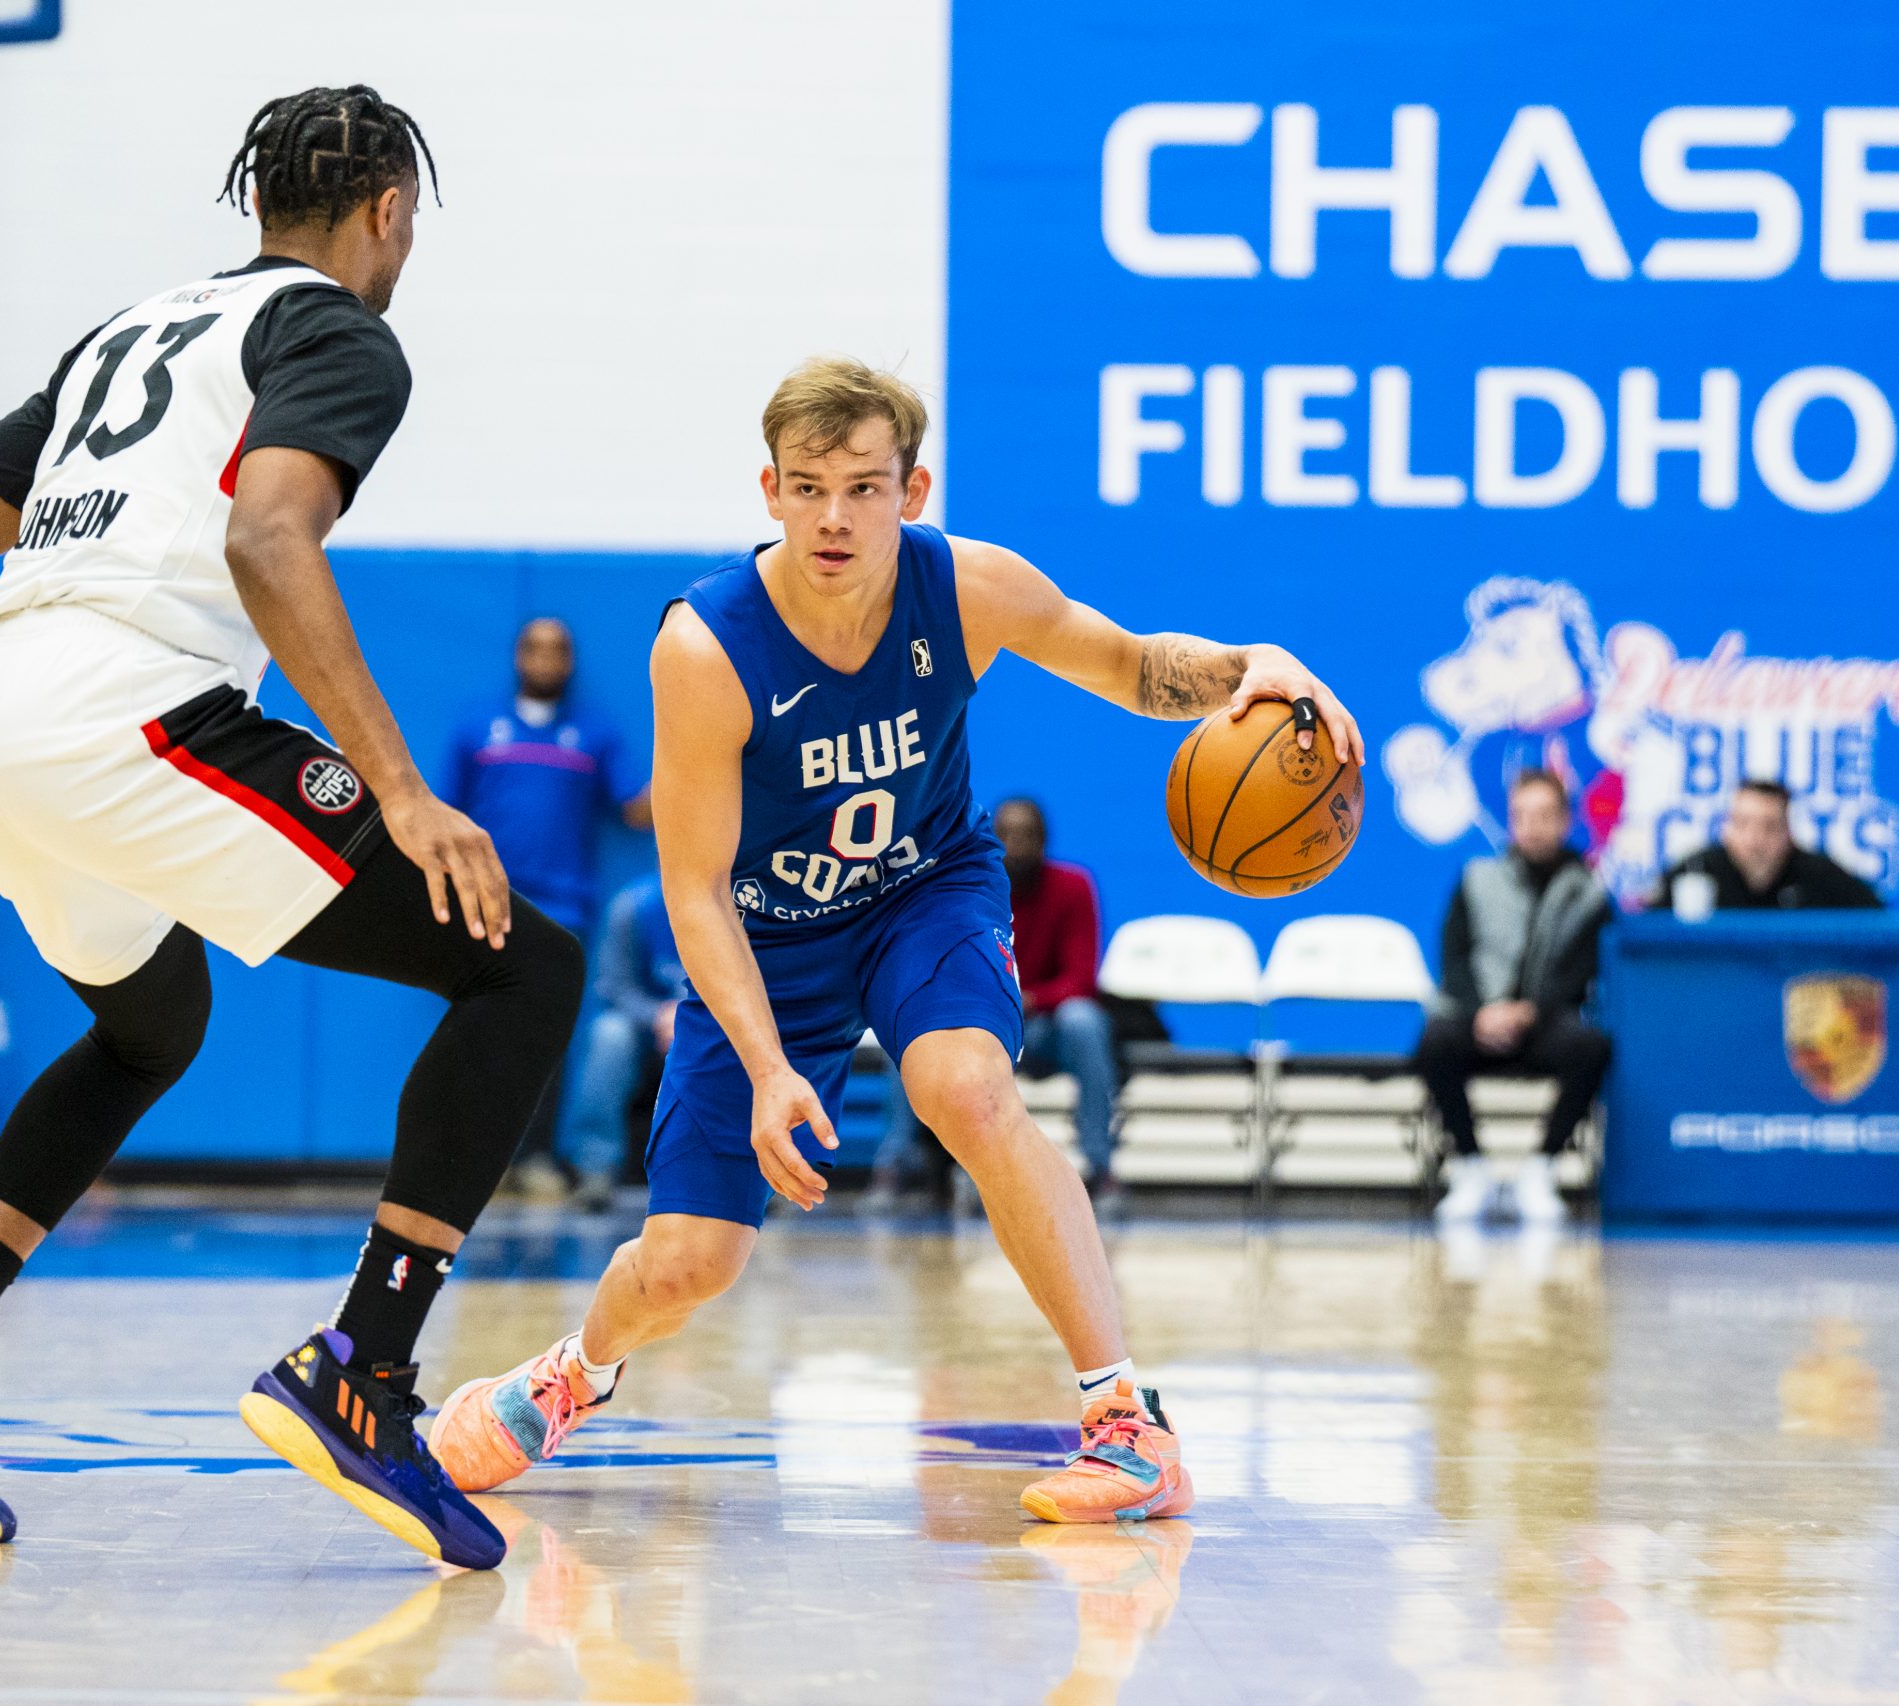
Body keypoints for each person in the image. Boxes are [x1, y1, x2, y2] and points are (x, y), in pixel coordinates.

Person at [0, 88, 584, 1572]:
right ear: (389, 213)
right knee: (520, 964)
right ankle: (367, 1365)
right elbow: (267, 537)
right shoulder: (339, 333)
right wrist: (406, 794)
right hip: (132, 714)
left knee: (148, 1027)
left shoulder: (126, 336)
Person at [427, 356, 1364, 1524]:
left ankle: (1128, 1422)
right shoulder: (704, 647)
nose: (834, 514)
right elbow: (697, 888)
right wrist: (770, 1071)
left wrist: (1248, 666)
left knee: (964, 1086)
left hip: (925, 892)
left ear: (911, 489)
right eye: (808, 484)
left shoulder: (967, 587)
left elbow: (1126, 663)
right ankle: (573, 1370)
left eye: (864, 486)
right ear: (766, 489)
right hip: (766, 938)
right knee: (692, 1261)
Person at [445, 617, 651, 1194]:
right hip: (485, 905)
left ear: (571, 662)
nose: (545, 660)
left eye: (557, 650)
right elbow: (445, 815)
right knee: (477, 1032)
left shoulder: (593, 735)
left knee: (546, 1040)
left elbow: (637, 809)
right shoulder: (476, 731)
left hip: (563, 913)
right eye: (534, 649)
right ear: (517, 656)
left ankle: (534, 1157)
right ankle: (469, 1159)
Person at [866, 797, 1123, 1212]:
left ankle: (1101, 1167)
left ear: (1044, 841)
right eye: (1006, 834)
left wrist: (1030, 999)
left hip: (1046, 1027)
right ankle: (896, 1164)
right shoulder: (970, 890)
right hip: (985, 1024)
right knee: (912, 1027)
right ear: (991, 839)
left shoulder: (1073, 887)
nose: (1016, 845)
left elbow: (1080, 979)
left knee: (1085, 1022)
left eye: (1027, 835)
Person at [1413, 769, 1611, 1227]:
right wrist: (1483, 1011)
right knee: (1433, 1041)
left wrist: (1530, 1011)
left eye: (1545, 815)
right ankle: (1469, 1167)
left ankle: (1540, 1169)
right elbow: (1455, 955)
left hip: (1543, 1023)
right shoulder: (1477, 878)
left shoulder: (1589, 893)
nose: (1534, 826)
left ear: (1565, 821)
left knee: (1592, 1048)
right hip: (1479, 1016)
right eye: (1523, 816)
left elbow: (1585, 968)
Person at [562, 877, 684, 1211]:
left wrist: (692, 1016)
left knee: (754, 1039)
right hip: (647, 1030)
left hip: (712, 1023)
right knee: (609, 1035)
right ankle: (595, 1169)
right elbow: (615, 987)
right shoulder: (634, 906)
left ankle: (755, 1175)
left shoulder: (741, 902)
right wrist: (659, 1015)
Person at [1650, 779, 1884, 913]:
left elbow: (1878, 923)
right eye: (1743, 824)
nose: (1754, 840)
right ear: (1726, 828)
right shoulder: (1694, 870)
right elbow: (1643, 933)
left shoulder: (1821, 876)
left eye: (1769, 827)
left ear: (1788, 833)